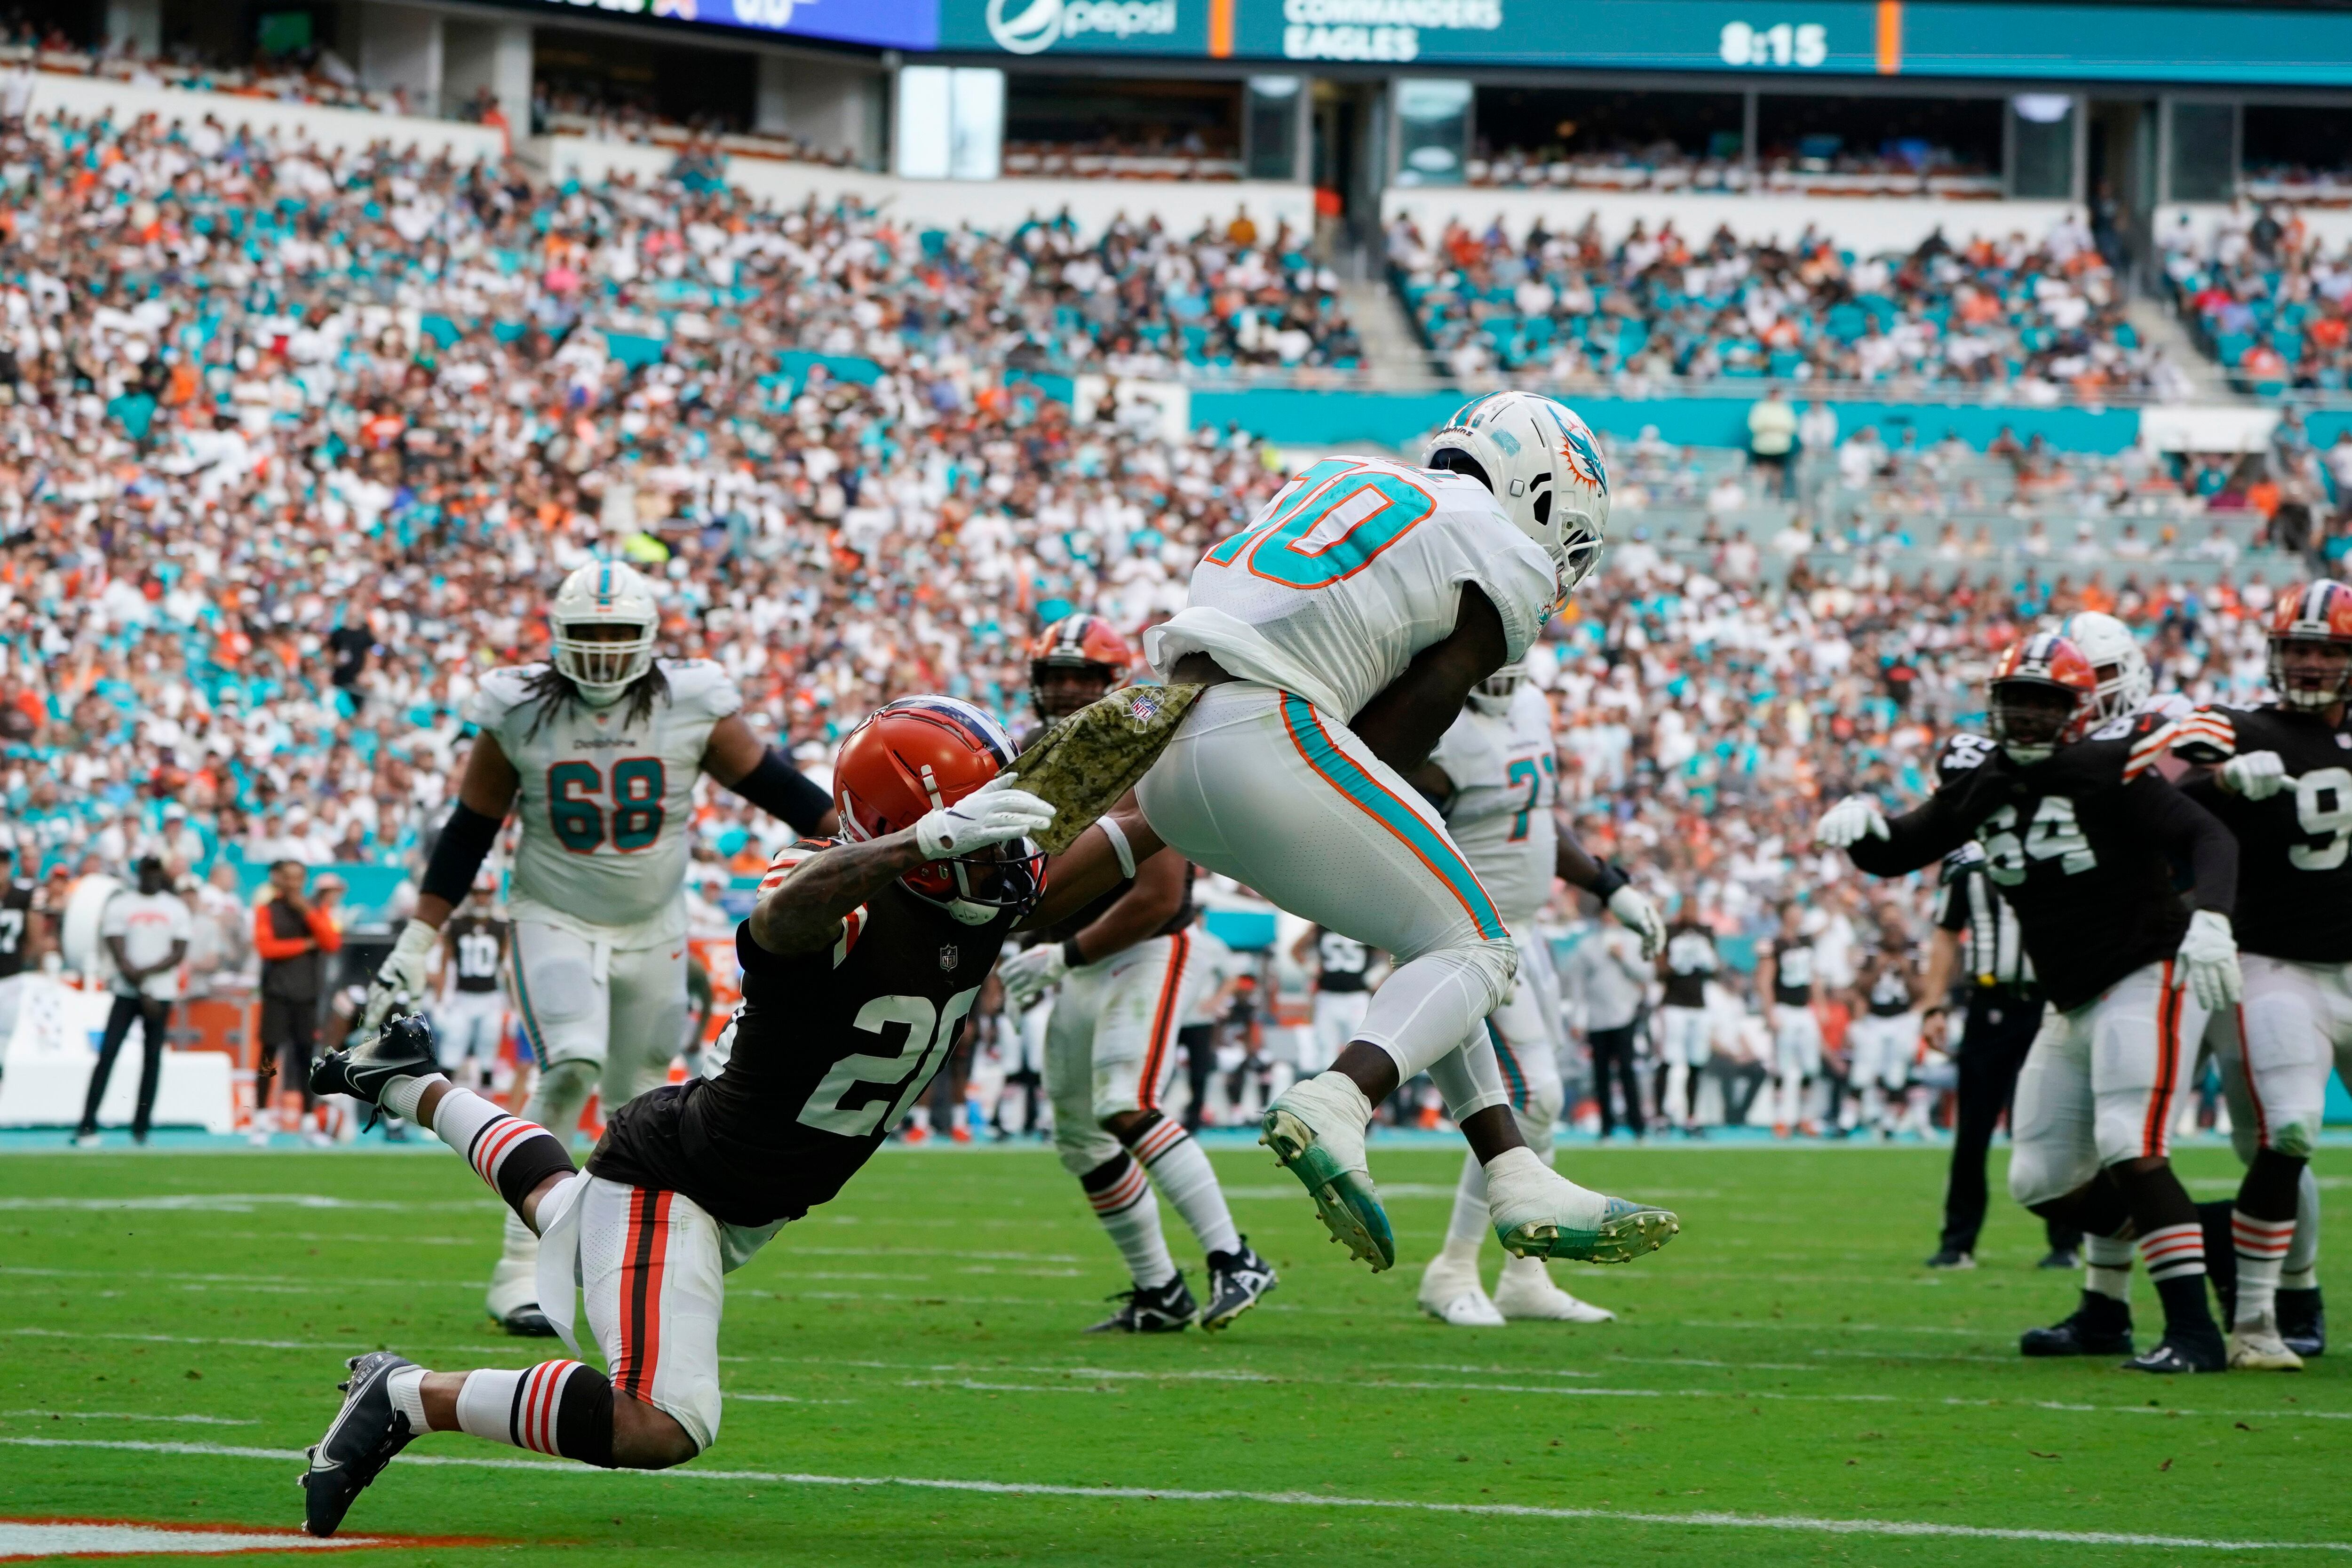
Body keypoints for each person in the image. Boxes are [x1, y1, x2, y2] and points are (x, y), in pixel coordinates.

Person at [296, 694, 1083, 1538]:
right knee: (660, 1417)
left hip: (738, 1189)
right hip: (681, 1178)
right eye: (977, 831)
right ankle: (407, 1394)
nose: (1004, 855)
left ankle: (406, 1080)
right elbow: (782, 919)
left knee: (566, 1211)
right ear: (906, 826)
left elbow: (1122, 843)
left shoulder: (980, 901)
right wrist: (919, 845)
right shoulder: (827, 887)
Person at [1126, 390, 1677, 1274]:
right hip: (1271, 732)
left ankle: (1515, 1169)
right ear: (1538, 490)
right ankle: (1343, 1096)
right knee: (1480, 943)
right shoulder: (1500, 547)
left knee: (1431, 940)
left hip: (1168, 746)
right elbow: (1402, 727)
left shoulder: (1342, 472)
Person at [354, 559, 839, 1336]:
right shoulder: (519, 709)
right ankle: (518, 1266)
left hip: (656, 924)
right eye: (591, 636)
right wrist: (421, 933)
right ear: (559, 641)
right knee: (571, 1061)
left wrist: (877, 848)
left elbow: (783, 792)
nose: (607, 652)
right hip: (556, 912)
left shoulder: (691, 702)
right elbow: (471, 827)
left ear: (648, 640)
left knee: (643, 1096)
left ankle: (626, 1269)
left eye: (621, 635)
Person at [1818, 631, 2242, 1373]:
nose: (2029, 716)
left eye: (2047, 703)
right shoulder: (1980, 777)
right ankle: (2178, 1264)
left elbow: (2207, 835)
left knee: (2129, 1145)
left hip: (2148, 969)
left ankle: (2194, 1333)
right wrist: (1862, 831)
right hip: (2071, 996)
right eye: (2017, 699)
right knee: (2040, 1179)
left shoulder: (2114, 766)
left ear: (2077, 712)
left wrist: (2212, 918)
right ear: (1994, 704)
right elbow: (1898, 849)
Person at [997, 614, 1275, 1333]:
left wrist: (1061, 954)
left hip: (1147, 945)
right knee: (1081, 1139)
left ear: (1110, 683)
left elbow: (1155, 896)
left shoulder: (1143, 742)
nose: (1064, 692)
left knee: (1126, 1102)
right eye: (1054, 678)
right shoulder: (1030, 752)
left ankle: (1234, 1257)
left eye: (1080, 679)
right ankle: (1159, 1290)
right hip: (1080, 956)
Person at [1414, 659, 1662, 1327]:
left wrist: (1612, 886)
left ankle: (1525, 1275)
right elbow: (1404, 845)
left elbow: (1538, 825)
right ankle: (1454, 1268)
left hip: (1530, 934)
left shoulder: (1533, 707)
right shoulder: (1434, 726)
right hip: (1475, 939)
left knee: (1540, 1110)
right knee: (1534, 1098)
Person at [2166, 580, 2352, 1368]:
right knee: (2290, 1130)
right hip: (2277, 965)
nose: (2310, 662)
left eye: (2328, 649)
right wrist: (2222, 783)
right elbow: (2166, 802)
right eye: (2298, 648)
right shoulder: (2234, 725)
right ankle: (2259, 1319)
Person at [1921, 842, 2083, 1273]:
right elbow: (1945, 934)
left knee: (2054, 1125)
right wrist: (1933, 1005)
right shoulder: (1970, 865)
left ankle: (2066, 1241)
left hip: (2050, 1003)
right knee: (1972, 1129)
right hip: (1989, 1005)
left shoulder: (2057, 848)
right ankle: (1957, 1242)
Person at [75, 857, 191, 1146]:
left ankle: (141, 1128)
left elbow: (178, 951)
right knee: (108, 1054)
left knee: (152, 1060)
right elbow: (117, 947)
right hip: (128, 992)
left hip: (160, 992)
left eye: (156, 872)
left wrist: (145, 977)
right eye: (147, 872)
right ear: (139, 874)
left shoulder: (174, 907)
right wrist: (141, 984)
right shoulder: (122, 904)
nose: (151, 878)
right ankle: (88, 1123)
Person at [253, 862, 346, 1146]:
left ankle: (308, 1121)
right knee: (269, 1056)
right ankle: (261, 1120)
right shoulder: (266, 910)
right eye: (288, 878)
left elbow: (331, 942)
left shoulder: (314, 911)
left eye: (298, 878)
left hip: (307, 995)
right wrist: (305, 946)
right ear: (279, 879)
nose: (293, 884)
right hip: (277, 994)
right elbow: (266, 948)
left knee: (307, 1056)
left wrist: (307, 912)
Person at [431, 874, 510, 1093]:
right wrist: (440, 1000)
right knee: (452, 1048)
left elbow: (507, 968)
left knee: (488, 1052)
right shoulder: (456, 925)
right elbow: (444, 964)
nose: (481, 900)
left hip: (490, 998)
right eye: (477, 894)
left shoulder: (501, 926)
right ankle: (442, 1100)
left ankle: (488, 1107)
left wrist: (513, 1005)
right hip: (462, 998)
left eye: (486, 894)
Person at [1757, 901, 1824, 1138]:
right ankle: (1780, 1118)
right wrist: (1770, 1012)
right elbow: (1765, 980)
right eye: (1794, 912)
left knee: (1811, 1066)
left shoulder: (1807, 941)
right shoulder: (1773, 944)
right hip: (1784, 1008)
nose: (1799, 916)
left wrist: (1821, 1005)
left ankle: (1805, 1116)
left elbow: (1814, 976)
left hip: (1805, 1010)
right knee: (1782, 1067)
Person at [1846, 939, 1921, 1139]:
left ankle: (1889, 1123)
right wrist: (1877, 968)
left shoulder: (1913, 952)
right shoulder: (1872, 953)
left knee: (1896, 1074)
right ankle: (1847, 1121)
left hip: (1901, 1020)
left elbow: (1920, 991)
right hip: (1874, 1019)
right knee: (1862, 1072)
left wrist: (1905, 970)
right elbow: (1860, 987)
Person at [1655, 911, 1717, 1135]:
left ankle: (1691, 1116)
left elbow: (1716, 968)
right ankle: (1661, 1115)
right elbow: (1660, 969)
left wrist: (1702, 954)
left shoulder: (1706, 934)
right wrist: (1678, 960)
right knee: (1668, 1060)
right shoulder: (1669, 932)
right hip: (1674, 1005)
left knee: (1696, 1062)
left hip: (1698, 1006)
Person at [1291, 923, 1375, 1077]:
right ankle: (1328, 1093)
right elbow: (1296, 950)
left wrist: (1377, 975)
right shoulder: (1322, 924)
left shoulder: (1368, 924)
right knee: (1325, 1051)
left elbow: (1389, 953)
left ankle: (1358, 1093)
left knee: (1361, 1048)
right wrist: (1312, 969)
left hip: (1357, 996)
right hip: (1328, 996)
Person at [0, 844, 48, 1059]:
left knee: (4, 1038)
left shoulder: (24, 895)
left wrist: (32, 959)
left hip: (11, 975)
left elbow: (35, 934)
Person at [1747, 386, 1796, 500]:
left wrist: (1771, 428)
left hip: (1780, 448)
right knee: (1761, 472)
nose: (1775, 396)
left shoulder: (1785, 409)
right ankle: (1758, 496)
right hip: (1762, 447)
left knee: (1777, 473)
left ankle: (1775, 497)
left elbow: (1791, 427)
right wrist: (1772, 428)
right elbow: (1754, 425)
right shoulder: (1760, 408)